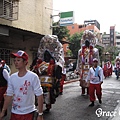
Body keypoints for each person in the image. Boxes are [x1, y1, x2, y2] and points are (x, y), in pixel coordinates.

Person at [0, 50, 44, 120]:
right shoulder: (12, 77)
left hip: (29, 113)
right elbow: (9, 95)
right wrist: (3, 111)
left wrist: (40, 114)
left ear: (25, 62)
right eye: (15, 60)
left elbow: (39, 95)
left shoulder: (33, 77)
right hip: (14, 113)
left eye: (18, 60)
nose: (15, 62)